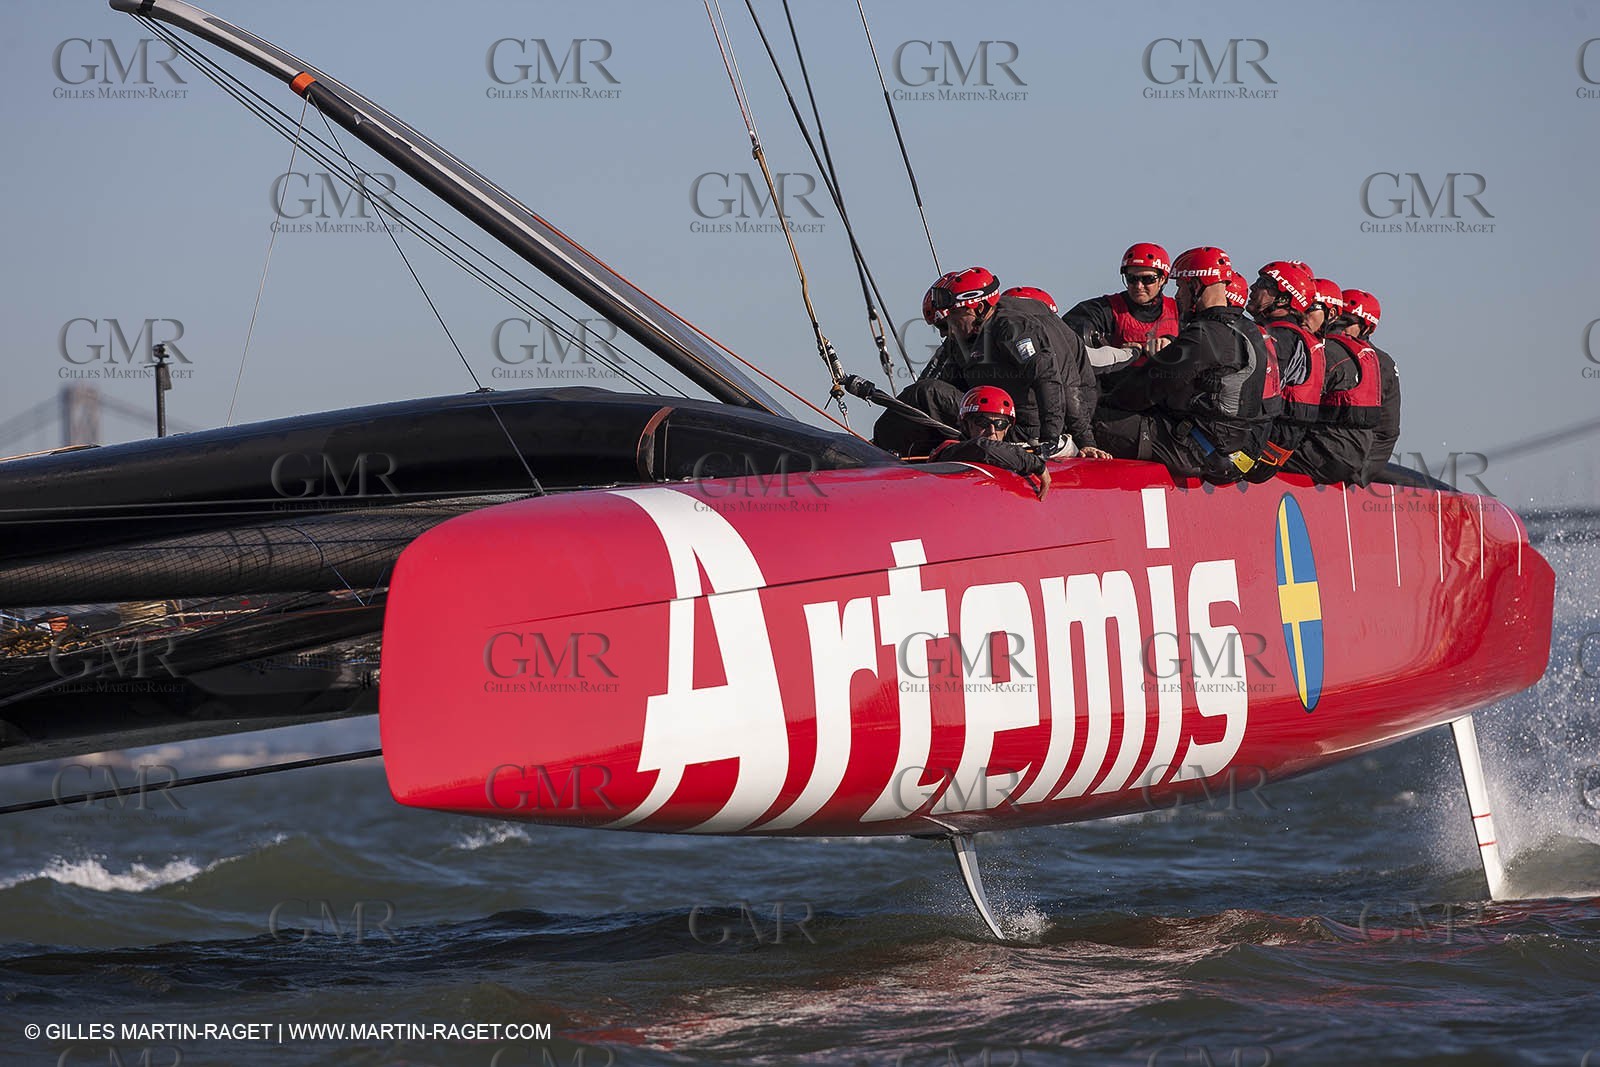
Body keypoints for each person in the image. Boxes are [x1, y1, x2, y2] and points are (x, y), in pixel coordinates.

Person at [1092, 246, 1278, 482]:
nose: (1178, 296)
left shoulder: (1205, 335)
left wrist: (1100, 401)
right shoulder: (1249, 330)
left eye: (1181, 287)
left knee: (1093, 420)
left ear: (1197, 285)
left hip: (1193, 450)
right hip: (1229, 448)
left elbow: (1144, 388)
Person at [921, 266, 1109, 458]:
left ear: (979, 308)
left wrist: (1073, 440)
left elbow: (1053, 381)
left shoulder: (1013, 328)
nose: (946, 331)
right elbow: (938, 381)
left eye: (951, 319)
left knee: (928, 392)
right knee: (923, 392)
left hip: (1028, 428)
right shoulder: (963, 336)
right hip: (1001, 419)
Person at [1285, 288, 1383, 485]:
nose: (1303, 315)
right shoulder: (1365, 356)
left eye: (1349, 321)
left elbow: (1387, 428)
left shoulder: (1326, 352)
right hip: (1346, 454)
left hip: (1327, 453)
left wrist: (1362, 476)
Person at [1245, 261, 1326, 478]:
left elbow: (1253, 390)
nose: (1253, 288)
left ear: (1282, 299)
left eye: (1263, 284)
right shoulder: (1290, 335)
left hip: (1257, 456)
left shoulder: (1282, 338)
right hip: (1270, 448)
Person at [930, 386, 1052, 499]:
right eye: (983, 422)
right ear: (966, 425)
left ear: (1007, 428)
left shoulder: (1008, 456)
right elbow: (983, 448)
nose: (992, 431)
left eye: (1000, 424)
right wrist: (1036, 465)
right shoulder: (949, 451)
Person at [1062, 243, 1181, 350]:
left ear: (1162, 279)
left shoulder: (1180, 310)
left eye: (1147, 279)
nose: (1139, 286)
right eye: (1132, 278)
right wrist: (1110, 349)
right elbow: (1066, 330)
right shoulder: (1105, 309)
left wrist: (1173, 342)